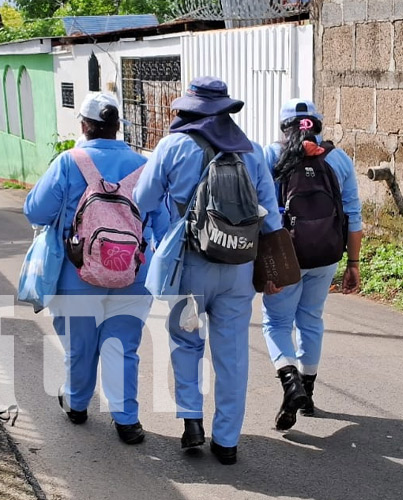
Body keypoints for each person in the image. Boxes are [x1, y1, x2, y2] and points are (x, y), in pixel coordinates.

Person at [134, 77, 282, 465]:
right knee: (231, 355)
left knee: (186, 342)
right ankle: (227, 441)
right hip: (238, 265)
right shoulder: (250, 151)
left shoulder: (173, 145)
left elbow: (143, 198)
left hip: (190, 265)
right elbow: (271, 212)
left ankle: (192, 422)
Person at [24, 93, 167, 445]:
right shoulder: (144, 166)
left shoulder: (68, 161)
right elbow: (162, 223)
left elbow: (36, 212)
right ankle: (127, 421)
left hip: (77, 273)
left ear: (84, 126)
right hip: (133, 275)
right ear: (118, 127)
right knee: (123, 346)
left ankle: (76, 404)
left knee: (80, 345)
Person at [261, 98, 363, 430]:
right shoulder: (339, 159)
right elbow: (354, 217)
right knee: (311, 319)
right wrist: (354, 264)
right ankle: (307, 391)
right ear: (318, 126)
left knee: (276, 322)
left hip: (286, 256)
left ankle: (290, 384)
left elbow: (259, 213)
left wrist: (263, 268)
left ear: (283, 127)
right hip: (326, 254)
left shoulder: (270, 156)